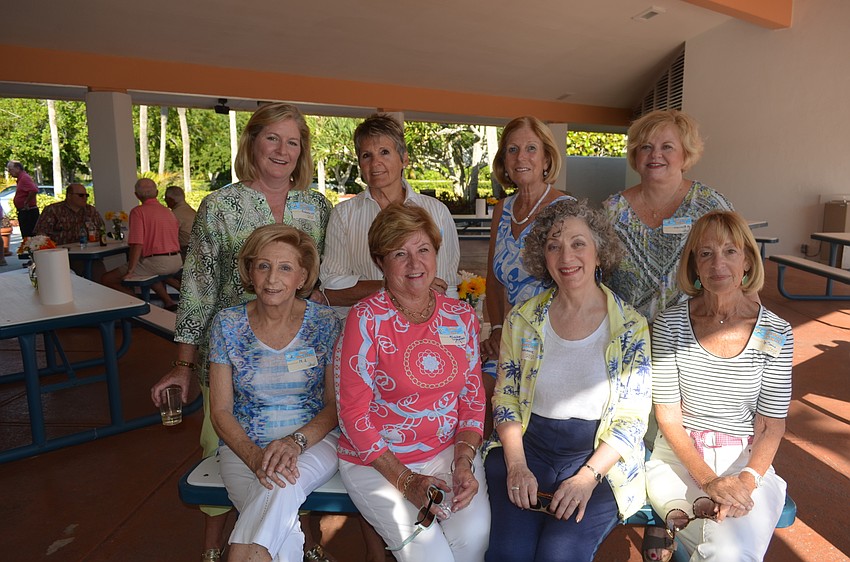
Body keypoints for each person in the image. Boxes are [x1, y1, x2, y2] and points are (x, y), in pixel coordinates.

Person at [149, 102, 332, 562]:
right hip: (233, 358)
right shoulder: (219, 206)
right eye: (272, 137)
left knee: (287, 464)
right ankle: (217, 548)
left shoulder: (316, 207)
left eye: (293, 141)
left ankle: (288, 546)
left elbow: (320, 281)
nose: (282, 149)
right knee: (226, 450)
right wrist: (183, 365)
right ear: (252, 142)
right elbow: (197, 291)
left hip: (297, 356)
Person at [483, 199, 651, 562]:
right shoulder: (523, 320)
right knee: (509, 555)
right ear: (542, 258)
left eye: (578, 243)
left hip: (598, 458)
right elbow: (507, 397)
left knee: (558, 555)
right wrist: (517, 466)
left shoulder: (630, 326)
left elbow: (632, 418)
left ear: (599, 252)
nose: (566, 256)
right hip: (527, 450)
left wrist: (587, 478)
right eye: (553, 245)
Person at [335, 203, 490, 562]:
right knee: (430, 555)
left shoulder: (461, 315)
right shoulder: (366, 319)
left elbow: (472, 400)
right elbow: (353, 414)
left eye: (423, 250)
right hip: (378, 461)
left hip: (447, 452)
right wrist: (406, 481)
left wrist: (464, 460)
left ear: (436, 253)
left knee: (473, 540)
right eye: (399, 254)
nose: (414, 263)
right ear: (380, 262)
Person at [644, 211, 791, 562]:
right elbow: (668, 418)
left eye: (730, 251)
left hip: (747, 463)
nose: (717, 263)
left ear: (747, 261)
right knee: (726, 551)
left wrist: (746, 482)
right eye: (705, 253)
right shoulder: (669, 325)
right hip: (679, 462)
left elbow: (772, 424)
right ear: (693, 264)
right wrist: (709, 481)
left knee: (729, 550)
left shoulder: (776, 331)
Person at [209, 224, 341, 562]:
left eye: (285, 267)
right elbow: (221, 411)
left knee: (276, 489)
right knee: (278, 517)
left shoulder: (325, 322)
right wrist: (255, 457)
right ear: (250, 272)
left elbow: (334, 404)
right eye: (263, 265)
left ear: (302, 276)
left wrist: (294, 442)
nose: (272, 278)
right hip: (244, 448)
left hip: (313, 441)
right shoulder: (227, 324)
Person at [321, 113, 460, 317]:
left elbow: (447, 287)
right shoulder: (344, 215)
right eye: (367, 155)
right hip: (366, 331)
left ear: (404, 158)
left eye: (384, 152)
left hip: (427, 330)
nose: (375, 163)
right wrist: (393, 284)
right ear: (360, 163)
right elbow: (331, 291)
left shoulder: (436, 212)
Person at [602, 109, 733, 322]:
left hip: (694, 327)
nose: (655, 155)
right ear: (636, 155)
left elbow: (737, 263)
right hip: (627, 330)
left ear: (685, 154)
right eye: (646, 147)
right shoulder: (613, 210)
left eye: (667, 147)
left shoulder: (709, 205)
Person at [480, 116, 573, 368]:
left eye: (531, 148)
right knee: (475, 393)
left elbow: (577, 288)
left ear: (546, 158)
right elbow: (494, 280)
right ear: (504, 161)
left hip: (551, 342)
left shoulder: (565, 209)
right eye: (513, 150)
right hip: (508, 337)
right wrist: (498, 329)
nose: (521, 157)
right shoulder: (503, 209)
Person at [101, 178, 183, 310]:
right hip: (176, 260)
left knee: (107, 279)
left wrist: (130, 271)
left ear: (136, 195)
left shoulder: (138, 212)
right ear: (156, 193)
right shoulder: (168, 212)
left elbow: (137, 244)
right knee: (146, 267)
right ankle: (168, 302)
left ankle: (139, 305)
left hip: (157, 262)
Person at [34, 183, 105, 245]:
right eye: (81, 195)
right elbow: (41, 234)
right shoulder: (53, 210)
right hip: (60, 254)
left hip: (88, 251)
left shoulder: (91, 210)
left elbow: (102, 229)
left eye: (86, 195)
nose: (85, 198)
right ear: (69, 196)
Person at [7, 160, 40, 238]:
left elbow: (34, 190)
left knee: (29, 237)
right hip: (25, 212)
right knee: (27, 236)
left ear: (18, 168)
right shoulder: (21, 178)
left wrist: (26, 202)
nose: (10, 173)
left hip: (28, 212)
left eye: (11, 170)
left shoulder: (24, 177)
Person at [164, 184, 197, 258]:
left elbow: (167, 236)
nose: (165, 200)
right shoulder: (192, 211)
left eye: (165, 198)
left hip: (185, 251)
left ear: (170, 199)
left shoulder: (174, 214)